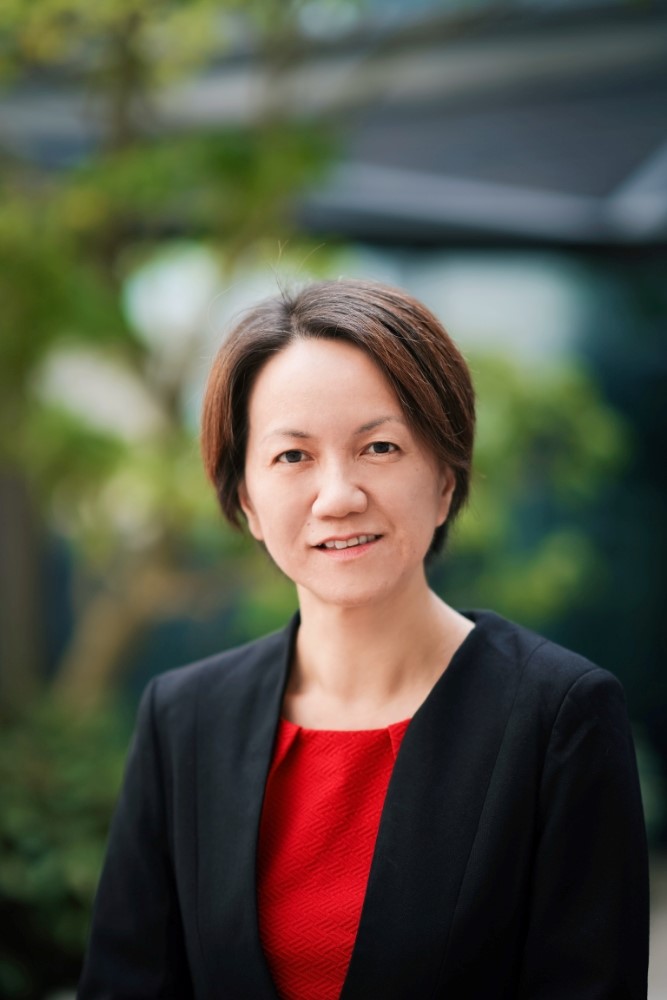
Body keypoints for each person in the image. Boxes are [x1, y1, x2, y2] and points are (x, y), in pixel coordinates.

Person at [78, 278, 649, 999]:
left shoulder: (558, 718)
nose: (339, 496)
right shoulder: (184, 719)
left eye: (379, 447)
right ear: (247, 500)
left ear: (445, 480)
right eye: (293, 456)